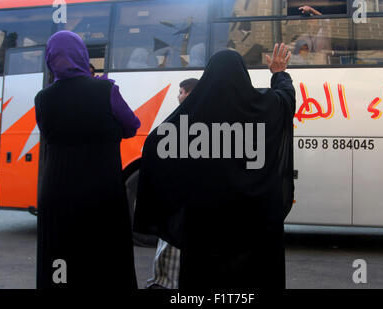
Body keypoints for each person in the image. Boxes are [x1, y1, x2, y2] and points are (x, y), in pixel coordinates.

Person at [134, 43, 296, 289]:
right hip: (254, 227)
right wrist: (278, 72)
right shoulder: (264, 107)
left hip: (204, 229)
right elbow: (286, 98)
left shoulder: (190, 118)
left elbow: (155, 143)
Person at [35, 31, 140, 289]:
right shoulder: (106, 90)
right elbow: (132, 127)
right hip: (100, 190)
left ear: (50, 59)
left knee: (61, 254)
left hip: (57, 190)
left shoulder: (43, 99)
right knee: (103, 256)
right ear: (83, 55)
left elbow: (50, 135)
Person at [146, 77, 199, 289]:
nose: (178, 96)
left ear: (188, 93)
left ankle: (165, 282)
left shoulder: (180, 119)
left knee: (171, 243)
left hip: (179, 198)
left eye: (180, 92)